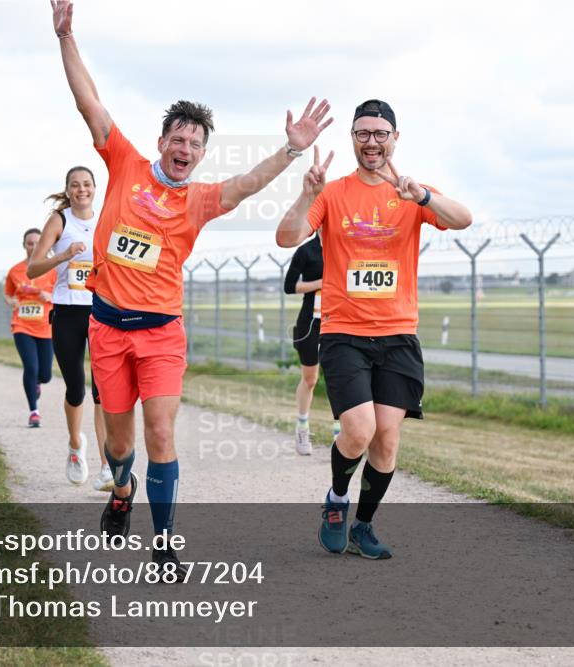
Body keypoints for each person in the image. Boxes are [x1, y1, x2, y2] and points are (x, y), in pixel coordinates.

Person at [50, 0, 332, 575]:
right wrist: (66, 36)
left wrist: (294, 149)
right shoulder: (125, 162)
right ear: (161, 142)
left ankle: (164, 544)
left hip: (161, 336)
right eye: (178, 140)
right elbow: (89, 103)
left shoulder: (200, 199)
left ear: (203, 153)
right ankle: (121, 488)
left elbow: (250, 184)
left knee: (160, 433)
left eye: (195, 145)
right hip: (106, 329)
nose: (185, 151)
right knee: (121, 446)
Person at [276, 99, 472, 559]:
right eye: (363, 133)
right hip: (344, 332)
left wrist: (421, 196)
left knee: (387, 438)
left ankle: (363, 525)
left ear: (394, 139)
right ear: (352, 139)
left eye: (380, 134)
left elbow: (463, 219)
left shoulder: (411, 192)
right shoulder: (334, 192)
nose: (372, 142)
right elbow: (287, 237)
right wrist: (307, 193)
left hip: (399, 334)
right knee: (360, 430)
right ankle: (336, 501)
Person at [27, 165, 111, 491]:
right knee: (75, 387)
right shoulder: (59, 221)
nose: (81, 190)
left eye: (87, 184)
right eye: (75, 185)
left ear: (94, 188)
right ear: (68, 189)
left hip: (101, 311)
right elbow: (34, 268)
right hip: (66, 312)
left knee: (103, 391)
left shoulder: (105, 220)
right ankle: (76, 446)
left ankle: (107, 466)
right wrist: (63, 255)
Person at [283, 231, 340, 455]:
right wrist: (321, 283)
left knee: (338, 377)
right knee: (311, 379)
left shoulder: (345, 245)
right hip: (310, 323)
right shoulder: (307, 251)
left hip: (338, 320)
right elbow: (289, 286)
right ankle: (303, 426)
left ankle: (340, 435)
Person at [5, 228, 58, 428]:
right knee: (31, 367)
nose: (34, 247)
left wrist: (50, 296)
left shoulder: (53, 270)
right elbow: (8, 295)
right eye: (30, 243)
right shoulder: (15, 270)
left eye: (37, 242)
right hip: (22, 325)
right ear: (24, 245)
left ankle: (37, 384)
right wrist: (11, 301)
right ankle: (34, 412)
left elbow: (62, 294)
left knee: (45, 374)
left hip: (46, 326)